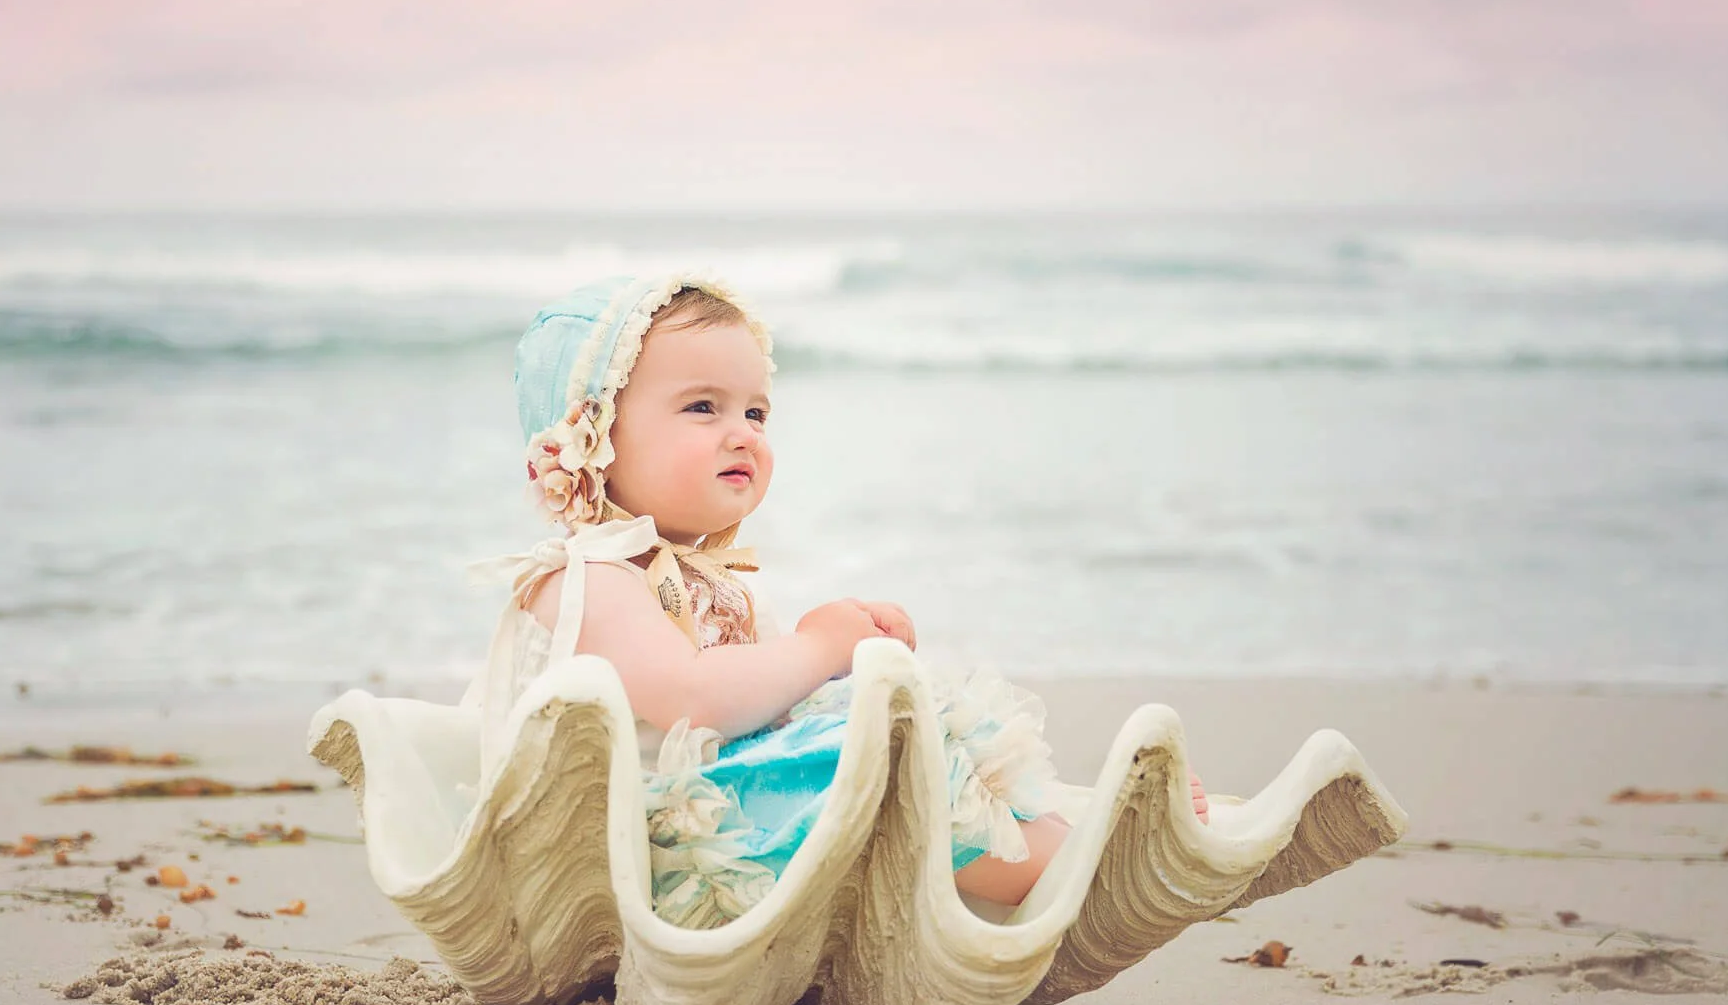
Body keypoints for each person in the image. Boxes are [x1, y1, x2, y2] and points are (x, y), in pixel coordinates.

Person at [473, 274, 1201, 929]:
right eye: (703, 406)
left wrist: (841, 657)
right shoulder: (588, 578)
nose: (743, 433)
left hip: (715, 814)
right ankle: (1076, 863)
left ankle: (1064, 838)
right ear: (590, 437)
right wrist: (819, 646)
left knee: (895, 726)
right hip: (642, 858)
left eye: (757, 413)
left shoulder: (694, 577)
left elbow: (758, 701)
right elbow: (696, 699)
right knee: (865, 766)